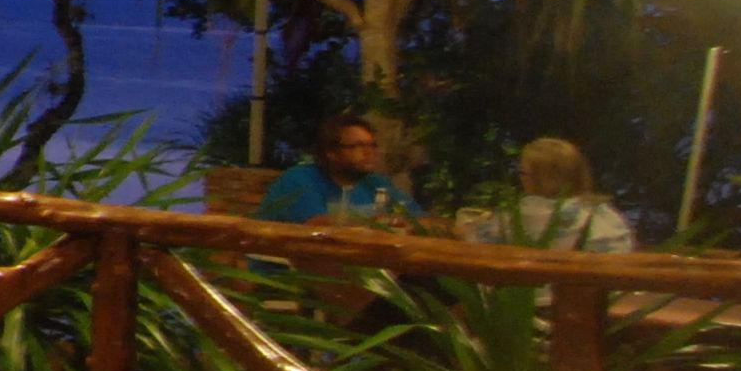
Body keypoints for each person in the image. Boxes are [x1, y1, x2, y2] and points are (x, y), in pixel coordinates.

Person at [460, 135, 635, 253]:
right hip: (599, 302)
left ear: (543, 178)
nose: (520, 179)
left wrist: (464, 229)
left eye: (523, 173)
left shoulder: (529, 214)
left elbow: (476, 243)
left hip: (534, 303)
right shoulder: (604, 214)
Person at [256, 112, 421, 229]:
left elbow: (420, 220)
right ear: (332, 153)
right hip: (290, 274)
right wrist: (385, 223)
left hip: (358, 271)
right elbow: (319, 227)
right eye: (358, 146)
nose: (369, 152)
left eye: (372, 145)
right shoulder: (300, 180)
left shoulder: (375, 182)